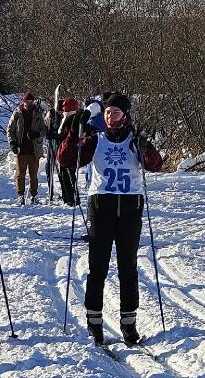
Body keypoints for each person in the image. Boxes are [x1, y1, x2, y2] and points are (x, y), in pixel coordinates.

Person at [56, 92, 163, 347]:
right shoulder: (96, 140)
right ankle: (94, 322)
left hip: (130, 207)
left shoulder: (135, 140)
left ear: (125, 116)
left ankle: (129, 323)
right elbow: (66, 160)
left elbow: (156, 165)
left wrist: (147, 150)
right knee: (98, 267)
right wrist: (72, 133)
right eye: (107, 112)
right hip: (101, 205)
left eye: (114, 112)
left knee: (128, 268)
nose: (109, 116)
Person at [8, 91, 45, 205]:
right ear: (23, 101)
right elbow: (10, 130)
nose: (28, 103)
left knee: (34, 175)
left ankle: (34, 196)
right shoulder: (17, 113)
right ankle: (20, 196)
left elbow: (44, 130)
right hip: (21, 149)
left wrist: (37, 134)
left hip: (34, 149)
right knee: (20, 174)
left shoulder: (38, 113)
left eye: (30, 101)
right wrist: (13, 143)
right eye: (26, 101)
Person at [54, 97, 81, 206]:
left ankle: (72, 198)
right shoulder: (67, 118)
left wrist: (57, 136)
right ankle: (67, 197)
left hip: (70, 152)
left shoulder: (72, 119)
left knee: (69, 176)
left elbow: (68, 135)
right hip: (65, 151)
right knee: (64, 175)